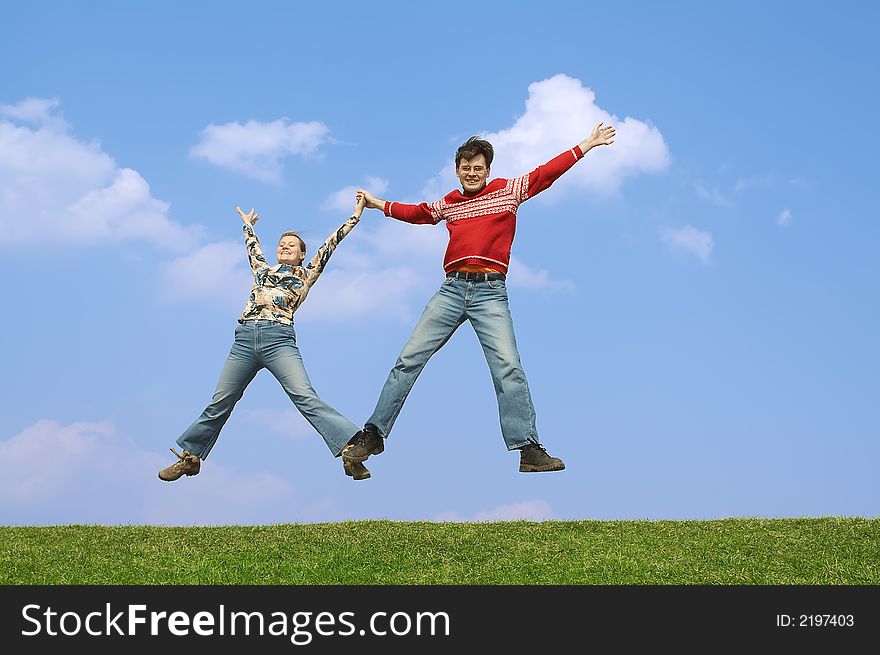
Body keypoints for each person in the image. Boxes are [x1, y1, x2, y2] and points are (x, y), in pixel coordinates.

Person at [344, 122, 616, 472]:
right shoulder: (451, 203)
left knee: (508, 367)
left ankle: (528, 448)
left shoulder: (508, 191)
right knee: (407, 360)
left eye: (478, 168)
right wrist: (376, 203)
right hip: (452, 290)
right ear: (457, 171)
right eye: (466, 168)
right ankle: (374, 433)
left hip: (490, 293)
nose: (472, 173)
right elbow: (418, 213)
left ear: (488, 170)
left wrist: (587, 144)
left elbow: (547, 173)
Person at [159, 195, 372, 482]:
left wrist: (355, 215)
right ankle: (191, 457)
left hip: (279, 341)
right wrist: (247, 225)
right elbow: (252, 248)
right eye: (282, 243)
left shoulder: (306, 274)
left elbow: (331, 243)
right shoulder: (262, 270)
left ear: (301, 255)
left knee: (304, 396)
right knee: (220, 401)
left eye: (292, 245)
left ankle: (351, 450)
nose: (285, 246)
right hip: (245, 340)